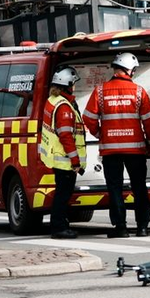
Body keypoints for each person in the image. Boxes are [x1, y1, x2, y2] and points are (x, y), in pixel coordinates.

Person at [83, 52, 150, 238]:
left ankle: (120, 227)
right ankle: (142, 227)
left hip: (110, 150)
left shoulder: (100, 91)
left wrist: (101, 133)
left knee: (114, 188)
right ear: (129, 70)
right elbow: (149, 120)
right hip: (136, 150)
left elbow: (89, 118)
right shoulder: (139, 91)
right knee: (139, 186)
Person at [39, 66, 86, 239]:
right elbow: (66, 135)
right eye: (73, 84)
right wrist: (75, 161)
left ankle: (61, 225)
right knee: (62, 195)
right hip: (65, 160)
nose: (74, 87)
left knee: (62, 194)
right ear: (67, 85)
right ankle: (59, 228)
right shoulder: (64, 107)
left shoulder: (53, 100)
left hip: (58, 157)